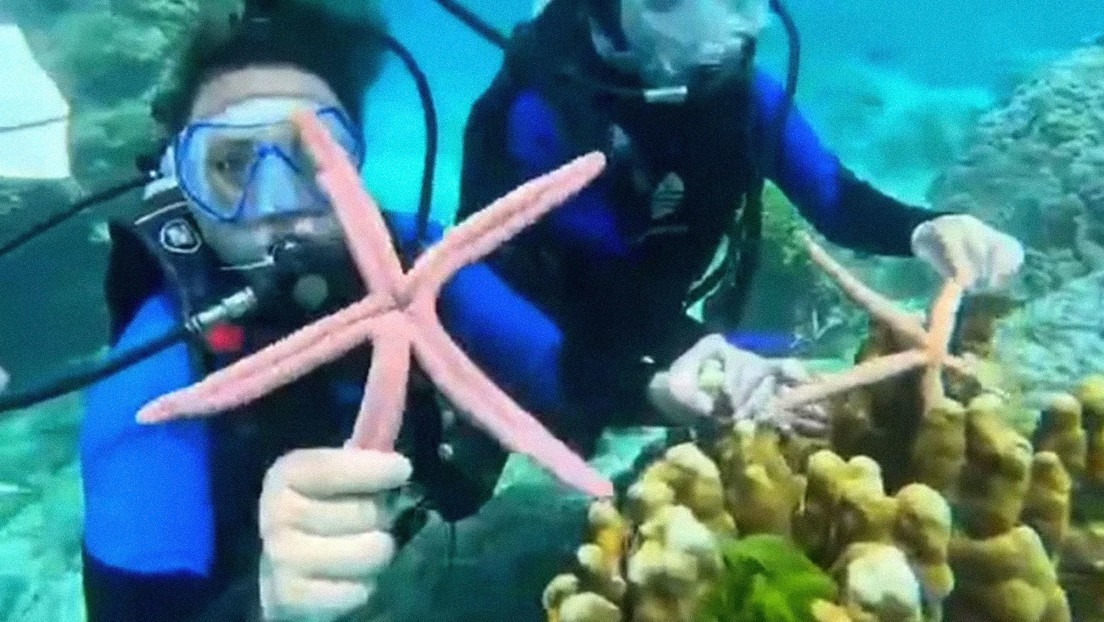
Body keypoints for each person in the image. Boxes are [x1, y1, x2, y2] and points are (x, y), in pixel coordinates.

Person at [78, 2, 566, 620]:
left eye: (311, 156)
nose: (277, 206)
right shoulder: (153, 371)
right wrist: (264, 605)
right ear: (181, 182)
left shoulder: (421, 260)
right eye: (230, 165)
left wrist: (682, 376)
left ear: (354, 162)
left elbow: (568, 372)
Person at [452, 0, 1026, 445]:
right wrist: (664, 377)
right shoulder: (538, 113)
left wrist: (924, 228)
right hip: (529, 330)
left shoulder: (743, 97)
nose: (731, 29)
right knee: (463, 475)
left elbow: (836, 198)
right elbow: (522, 289)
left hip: (655, 341)